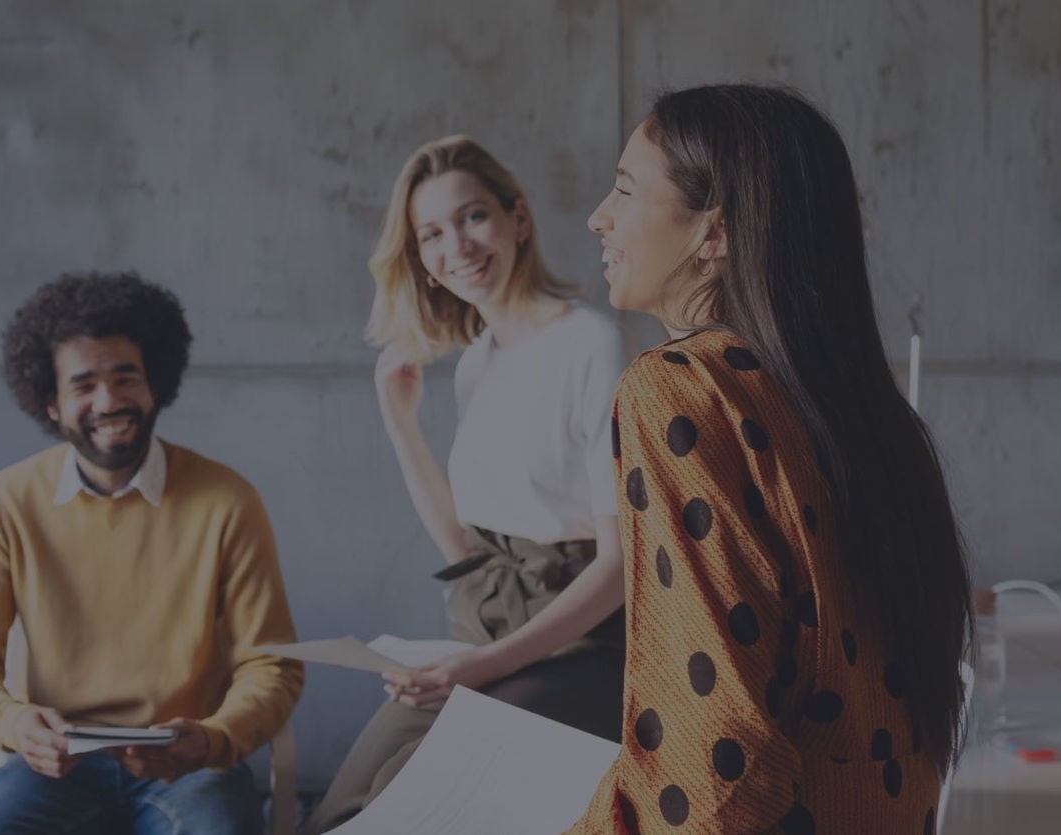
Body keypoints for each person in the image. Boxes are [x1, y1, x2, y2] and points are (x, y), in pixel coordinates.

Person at [571, 84, 971, 833]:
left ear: (714, 233)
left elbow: (714, 751)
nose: (601, 216)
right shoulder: (869, 413)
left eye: (625, 190)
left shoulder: (679, 392)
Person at [305, 136, 630, 833]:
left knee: (407, 793)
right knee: (336, 811)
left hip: (585, 643)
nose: (457, 244)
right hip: (481, 627)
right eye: (432, 233)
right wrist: (401, 426)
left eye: (473, 216)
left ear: (519, 219)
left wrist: (481, 665)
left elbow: (621, 563)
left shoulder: (588, 342)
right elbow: (465, 544)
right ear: (420, 259)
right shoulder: (478, 361)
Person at [0, 271, 305, 835]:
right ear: (52, 404)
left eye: (124, 377)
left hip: (189, 767)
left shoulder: (227, 501)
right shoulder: (5, 503)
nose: (108, 401)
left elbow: (273, 663)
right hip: (55, 768)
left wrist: (213, 737)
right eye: (83, 385)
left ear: (155, 382)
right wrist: (14, 725)